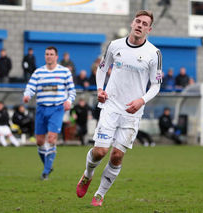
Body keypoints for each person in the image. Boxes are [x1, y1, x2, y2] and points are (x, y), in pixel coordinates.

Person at [76, 10, 162, 207]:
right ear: (132, 23)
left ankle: (99, 194)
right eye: (137, 21)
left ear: (149, 29)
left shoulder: (154, 53)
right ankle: (87, 175)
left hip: (133, 111)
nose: (140, 25)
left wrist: (141, 100)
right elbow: (102, 68)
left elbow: (156, 85)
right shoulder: (115, 45)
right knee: (100, 152)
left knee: (117, 155)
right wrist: (99, 88)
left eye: (144, 23)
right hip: (111, 105)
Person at [23, 46, 76, 180]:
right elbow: (30, 87)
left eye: (51, 54)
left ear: (56, 57)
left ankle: (46, 171)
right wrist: (27, 95)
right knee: (40, 141)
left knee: (51, 138)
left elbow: (72, 91)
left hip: (57, 108)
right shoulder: (38, 72)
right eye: (47, 54)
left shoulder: (64, 72)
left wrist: (69, 101)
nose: (49, 56)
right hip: (41, 108)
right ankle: (48, 165)